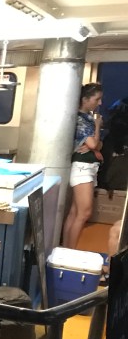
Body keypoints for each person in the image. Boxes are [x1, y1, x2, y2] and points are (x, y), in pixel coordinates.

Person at [63, 82, 104, 249]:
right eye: (97, 99)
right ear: (85, 99)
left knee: (75, 212)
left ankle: (67, 249)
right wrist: (97, 126)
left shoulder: (86, 117)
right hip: (83, 167)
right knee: (84, 212)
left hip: (87, 167)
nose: (100, 103)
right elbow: (94, 144)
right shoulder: (81, 119)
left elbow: (97, 145)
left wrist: (95, 144)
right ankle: (70, 251)